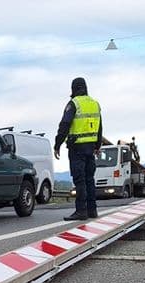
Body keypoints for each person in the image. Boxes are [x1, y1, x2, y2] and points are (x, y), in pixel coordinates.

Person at [53, 77, 103, 220]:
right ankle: (92, 210)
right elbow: (100, 127)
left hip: (77, 148)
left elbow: (65, 124)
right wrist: (97, 145)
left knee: (79, 180)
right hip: (91, 148)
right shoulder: (95, 104)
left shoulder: (74, 103)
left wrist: (57, 144)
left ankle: (81, 211)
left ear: (73, 89)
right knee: (89, 179)